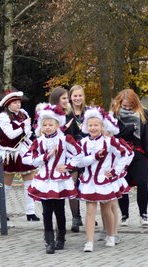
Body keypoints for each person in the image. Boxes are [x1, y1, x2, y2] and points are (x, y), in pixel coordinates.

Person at [22, 104, 83, 254]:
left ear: (58, 125)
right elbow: (26, 159)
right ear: (41, 126)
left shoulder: (65, 139)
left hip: (60, 181)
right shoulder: (38, 141)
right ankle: (49, 241)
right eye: (45, 125)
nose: (48, 127)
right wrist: (45, 156)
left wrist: (68, 166)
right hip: (43, 180)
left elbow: (79, 154)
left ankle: (60, 238)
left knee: (60, 210)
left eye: (51, 124)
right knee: (46, 211)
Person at [77, 108, 133, 252]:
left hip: (104, 181)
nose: (93, 128)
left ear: (102, 127)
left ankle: (111, 235)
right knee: (90, 210)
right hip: (89, 181)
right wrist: (92, 158)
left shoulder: (109, 141)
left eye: (96, 125)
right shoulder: (83, 143)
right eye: (90, 125)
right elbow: (79, 162)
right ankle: (89, 241)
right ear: (86, 127)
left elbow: (126, 154)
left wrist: (115, 172)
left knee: (106, 208)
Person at [0, 90, 39, 221]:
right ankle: (0, 211)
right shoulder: (3, 116)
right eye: (15, 102)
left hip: (22, 149)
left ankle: (30, 212)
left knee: (29, 178)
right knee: (7, 181)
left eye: (19, 102)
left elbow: (28, 133)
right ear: (8, 104)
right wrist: (24, 126)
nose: (18, 104)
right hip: (9, 151)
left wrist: (27, 130)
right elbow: (10, 135)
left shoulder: (23, 114)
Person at [110, 89, 148, 227]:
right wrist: (130, 129)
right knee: (123, 184)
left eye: (130, 105)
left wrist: (147, 142)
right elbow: (116, 135)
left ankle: (143, 214)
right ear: (119, 103)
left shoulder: (144, 113)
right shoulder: (114, 116)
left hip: (139, 153)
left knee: (143, 182)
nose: (128, 108)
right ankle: (124, 215)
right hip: (121, 155)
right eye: (125, 106)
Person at [49, 86, 83, 232]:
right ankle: (58, 226)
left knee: (71, 187)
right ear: (57, 99)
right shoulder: (48, 115)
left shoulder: (69, 115)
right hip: (53, 158)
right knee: (57, 192)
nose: (67, 100)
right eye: (64, 98)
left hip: (69, 157)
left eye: (66, 98)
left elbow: (75, 135)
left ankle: (76, 217)